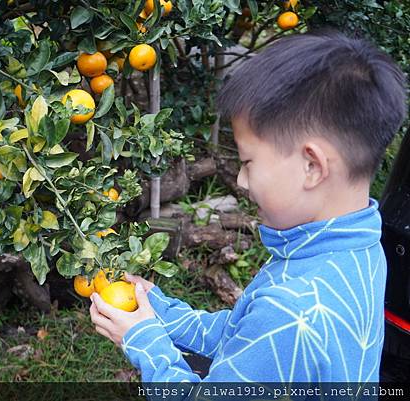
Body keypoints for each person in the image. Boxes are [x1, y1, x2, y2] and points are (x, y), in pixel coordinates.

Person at [88, 30, 408, 390]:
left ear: (312, 167)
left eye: (248, 162)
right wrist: (161, 312)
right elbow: (246, 335)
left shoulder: (290, 312)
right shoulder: (356, 249)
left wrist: (146, 344)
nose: (241, 180)